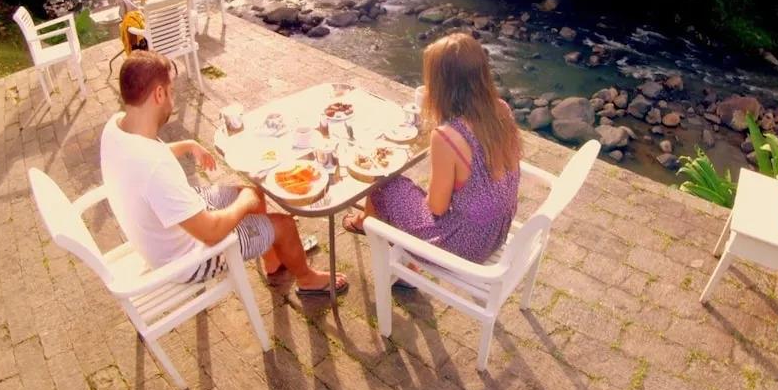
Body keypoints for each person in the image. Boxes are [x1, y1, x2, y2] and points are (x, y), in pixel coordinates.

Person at [100, 51, 347, 296]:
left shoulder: (117, 126)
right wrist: (243, 204)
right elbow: (211, 234)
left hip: (163, 228)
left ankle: (273, 260)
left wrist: (187, 145)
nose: (172, 100)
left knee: (251, 192)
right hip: (189, 260)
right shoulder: (154, 167)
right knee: (284, 224)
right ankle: (307, 279)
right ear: (159, 94)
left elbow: (148, 161)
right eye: (171, 91)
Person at [342, 32, 521, 265]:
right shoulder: (501, 109)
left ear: (441, 86)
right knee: (401, 194)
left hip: (462, 246)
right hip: (495, 232)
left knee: (383, 185)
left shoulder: (448, 136)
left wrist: (426, 194)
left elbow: (436, 208)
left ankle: (370, 227)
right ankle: (369, 222)